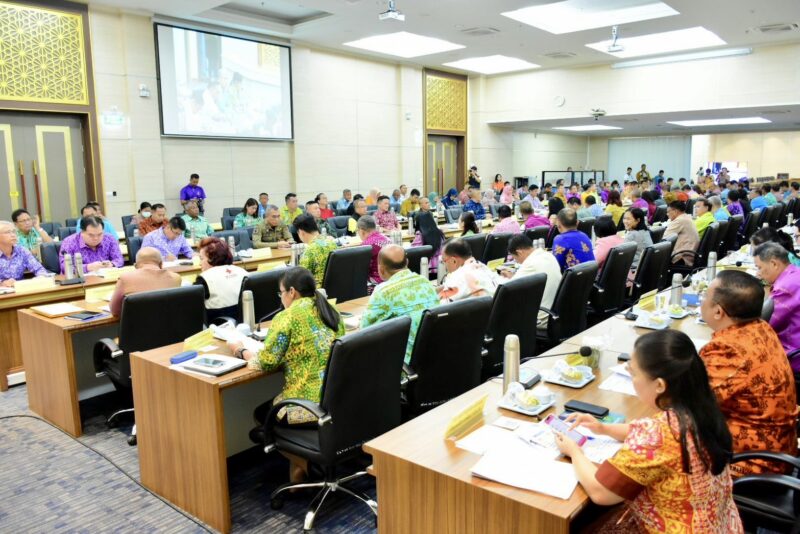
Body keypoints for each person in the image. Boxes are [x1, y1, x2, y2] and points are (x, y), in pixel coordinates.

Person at [555, 330, 742, 533]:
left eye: (633, 373)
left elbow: (601, 492)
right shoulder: (701, 408)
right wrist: (603, 428)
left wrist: (575, 452)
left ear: (660, 385)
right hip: (720, 525)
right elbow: (649, 432)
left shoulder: (656, 434)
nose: (632, 378)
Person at [226, 267, 344, 481]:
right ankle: (297, 474)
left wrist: (239, 350)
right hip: (336, 399)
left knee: (262, 415)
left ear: (292, 292)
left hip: (308, 404)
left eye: (280, 293)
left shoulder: (287, 317)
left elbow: (265, 362)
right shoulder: (329, 310)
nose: (281, 298)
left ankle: (308, 467)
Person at [699, 270, 798, 476]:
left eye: (705, 296)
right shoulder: (760, 327)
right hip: (780, 448)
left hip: (752, 463)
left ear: (718, 312)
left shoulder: (729, 350)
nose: (702, 301)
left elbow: (691, 405)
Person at [361, 245, 439, 363]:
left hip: (404, 360)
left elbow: (364, 330)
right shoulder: (425, 282)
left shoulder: (383, 292)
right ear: (407, 262)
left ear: (381, 269)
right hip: (433, 355)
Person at [754, 243, 800, 362]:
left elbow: (762, 324)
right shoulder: (794, 272)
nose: (758, 273)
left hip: (792, 355)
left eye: (759, 267)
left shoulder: (784, 288)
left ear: (774, 264)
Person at [501, 235, 561, 324]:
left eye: (515, 258)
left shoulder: (529, 263)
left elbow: (508, 289)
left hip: (541, 318)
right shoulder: (548, 255)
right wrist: (513, 276)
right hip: (556, 313)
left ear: (519, 252)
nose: (517, 261)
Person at [109, 247, 181, 316]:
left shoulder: (125, 278)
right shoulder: (176, 278)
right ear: (161, 264)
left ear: (136, 266)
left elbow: (115, 311)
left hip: (138, 323)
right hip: (169, 323)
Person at [195, 237, 248, 322]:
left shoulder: (204, 278)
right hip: (246, 323)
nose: (200, 263)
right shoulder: (243, 272)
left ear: (211, 258)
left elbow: (191, 305)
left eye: (201, 259)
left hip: (217, 326)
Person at [59, 216, 124, 274]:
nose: (96, 238)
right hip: (80, 280)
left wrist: (112, 264)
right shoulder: (69, 242)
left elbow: (119, 259)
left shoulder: (109, 238)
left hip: (105, 278)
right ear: (82, 232)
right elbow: (65, 268)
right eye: (91, 235)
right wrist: (88, 267)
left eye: (99, 234)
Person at [0, 220, 48, 285]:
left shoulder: (21, 250)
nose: (13, 235)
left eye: (14, 231)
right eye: (8, 232)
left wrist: (41, 277)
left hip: (19, 288)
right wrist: (2, 283)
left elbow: (39, 269)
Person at [295, 214, 338, 286]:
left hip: (317, 290)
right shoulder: (332, 243)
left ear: (301, 232)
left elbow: (301, 278)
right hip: (335, 286)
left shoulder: (309, 251)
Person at [356, 215, 390, 284]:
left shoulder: (365, 246)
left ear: (362, 231)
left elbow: (360, 269)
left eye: (357, 231)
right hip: (391, 278)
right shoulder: (386, 238)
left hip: (377, 281)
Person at [664, 201, 699, 265]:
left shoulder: (679, 220)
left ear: (675, 211)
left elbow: (664, 238)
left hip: (682, 257)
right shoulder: (687, 217)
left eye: (668, 212)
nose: (667, 214)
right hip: (690, 254)